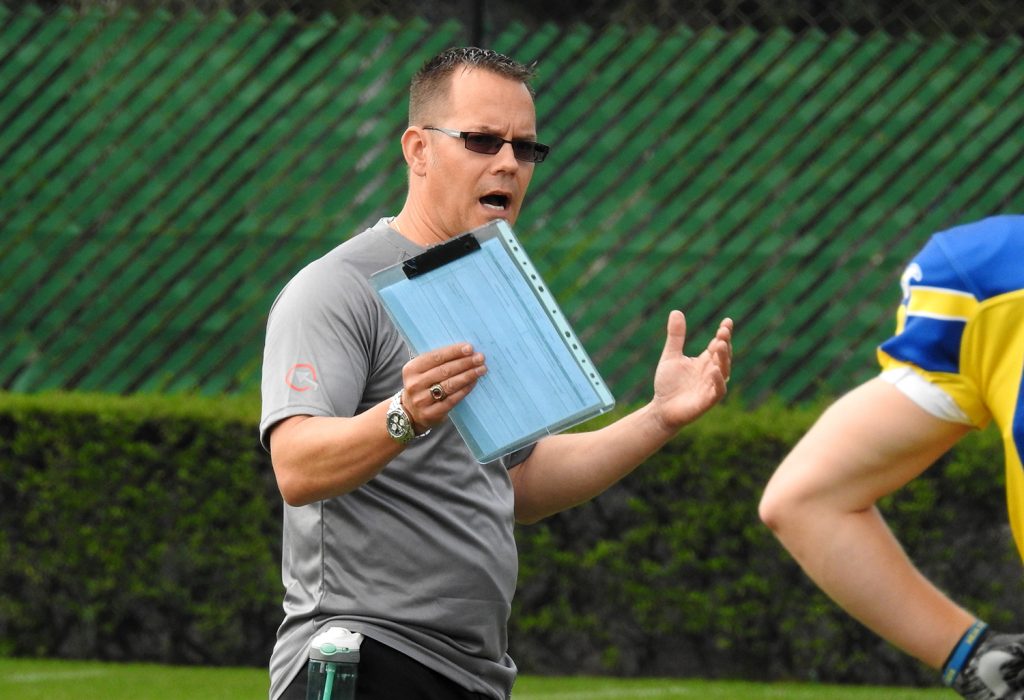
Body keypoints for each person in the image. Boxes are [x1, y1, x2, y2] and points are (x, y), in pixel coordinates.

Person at [259, 46, 734, 700]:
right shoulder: (335, 287)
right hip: (365, 654)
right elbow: (296, 468)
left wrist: (658, 419)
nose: (509, 163)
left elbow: (521, 483)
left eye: (525, 148)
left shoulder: (494, 289)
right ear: (418, 150)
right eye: (482, 141)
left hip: (474, 672)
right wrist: (404, 414)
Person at [759, 215, 1024, 699]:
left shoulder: (995, 271)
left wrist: (974, 658)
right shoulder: (990, 278)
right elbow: (806, 502)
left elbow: (807, 499)